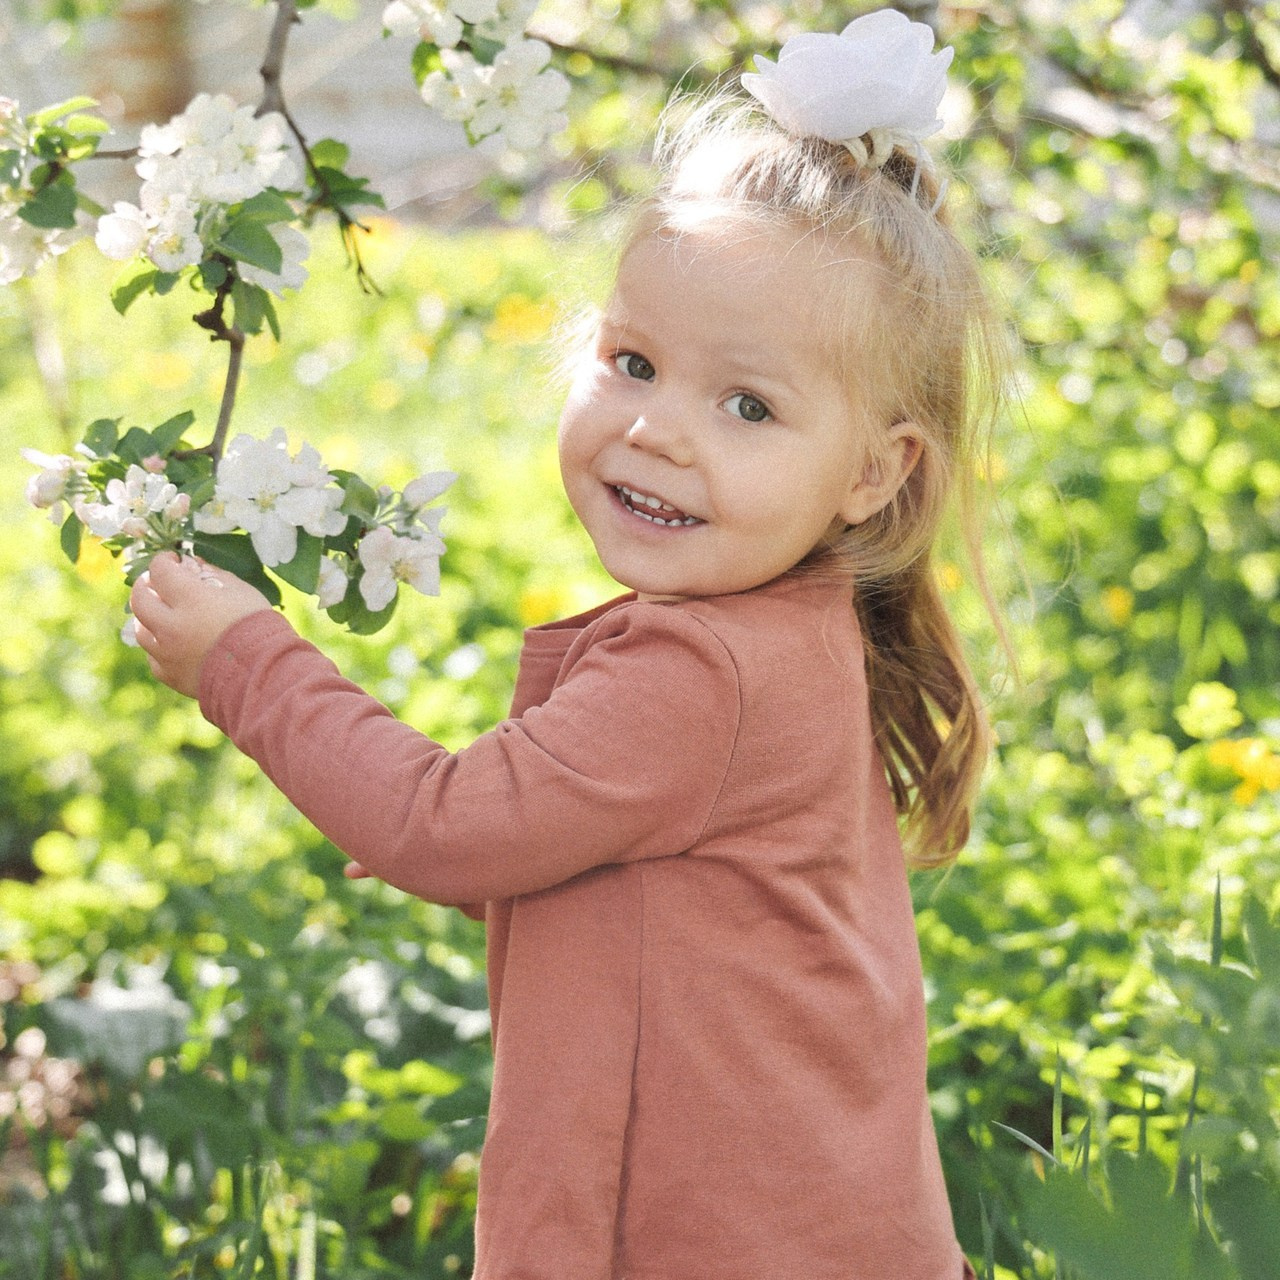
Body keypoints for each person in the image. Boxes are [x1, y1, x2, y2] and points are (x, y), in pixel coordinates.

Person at [131, 11, 1006, 1278]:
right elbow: (591, 843)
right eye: (633, 361)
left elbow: (438, 823)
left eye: (747, 403)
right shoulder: (788, 629)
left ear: (875, 469)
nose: (656, 430)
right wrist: (507, 817)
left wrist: (244, 660)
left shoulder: (698, 673)